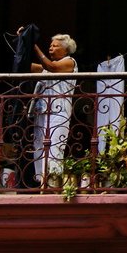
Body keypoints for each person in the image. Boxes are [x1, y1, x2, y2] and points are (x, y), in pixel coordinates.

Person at [27, 32, 78, 183]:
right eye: (50, 45)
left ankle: (53, 182)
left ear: (65, 50)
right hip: (42, 111)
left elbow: (51, 66)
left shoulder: (69, 62)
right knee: (39, 147)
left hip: (59, 111)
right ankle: (41, 182)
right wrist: (23, 42)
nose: (51, 48)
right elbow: (29, 66)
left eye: (55, 46)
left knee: (55, 147)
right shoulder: (46, 69)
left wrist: (34, 46)